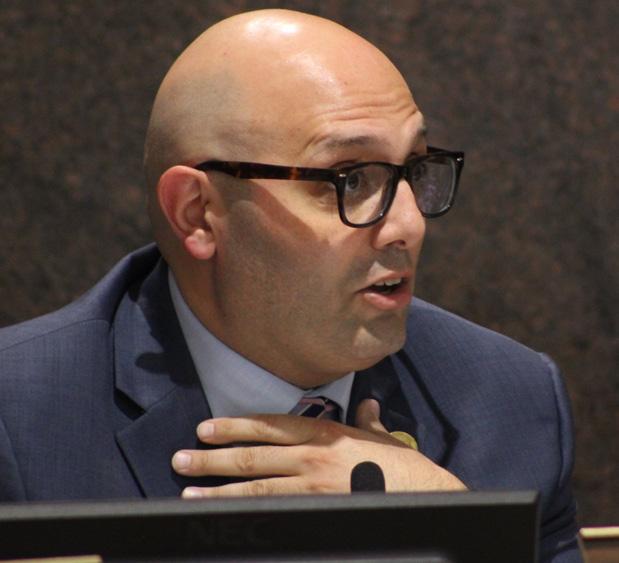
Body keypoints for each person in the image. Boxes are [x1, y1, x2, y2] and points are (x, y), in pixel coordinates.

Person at [0, 9, 581, 561]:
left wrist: (453, 530)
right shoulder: (21, 420)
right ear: (198, 212)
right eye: (350, 179)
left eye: (414, 168)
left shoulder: (511, 401)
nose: (409, 224)